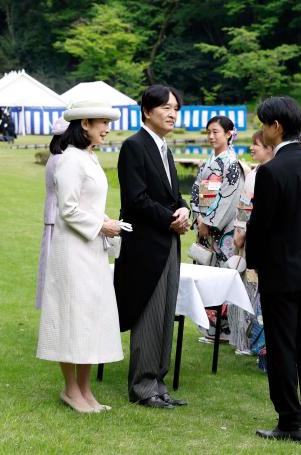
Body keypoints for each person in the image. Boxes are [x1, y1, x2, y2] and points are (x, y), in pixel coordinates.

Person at [246, 96, 301, 442]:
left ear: (276, 127)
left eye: (264, 124)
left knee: (282, 349)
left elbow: (260, 227)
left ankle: (290, 421)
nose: (262, 131)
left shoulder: (271, 171)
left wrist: (253, 265)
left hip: (280, 273)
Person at [36, 101, 124, 413]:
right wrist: (102, 224)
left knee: (92, 315)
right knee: (73, 313)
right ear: (84, 123)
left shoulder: (90, 157)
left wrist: (107, 220)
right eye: (102, 122)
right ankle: (71, 389)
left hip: (92, 248)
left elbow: (88, 204)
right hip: (73, 250)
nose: (108, 128)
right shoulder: (70, 160)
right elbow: (68, 209)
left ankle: (86, 390)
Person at [113, 85, 190, 409]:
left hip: (167, 243)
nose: (172, 114)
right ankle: (143, 386)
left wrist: (184, 208)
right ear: (147, 111)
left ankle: (159, 383)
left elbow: (171, 194)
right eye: (166, 108)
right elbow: (136, 198)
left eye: (176, 108)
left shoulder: (164, 149)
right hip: (145, 245)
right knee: (149, 313)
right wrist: (171, 219)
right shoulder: (134, 146)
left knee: (165, 314)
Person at [190, 115, 244, 342]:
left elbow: (228, 199)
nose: (211, 136)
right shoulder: (211, 160)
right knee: (207, 274)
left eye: (216, 132)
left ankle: (225, 329)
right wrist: (199, 217)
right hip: (206, 224)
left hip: (222, 231)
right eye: (209, 132)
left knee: (222, 276)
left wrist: (209, 223)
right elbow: (198, 191)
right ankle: (211, 327)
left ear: (230, 133)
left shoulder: (231, 163)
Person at [231, 130, 274, 355]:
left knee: (252, 291)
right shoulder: (260, 172)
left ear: (268, 147)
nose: (252, 148)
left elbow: (245, 210)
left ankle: (252, 343)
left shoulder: (259, 174)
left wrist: (239, 235)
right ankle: (255, 342)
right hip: (260, 239)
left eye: (256, 144)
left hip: (252, 240)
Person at [35, 117, 69, 310]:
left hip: (53, 216)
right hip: (57, 218)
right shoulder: (61, 160)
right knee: (54, 270)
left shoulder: (54, 158)